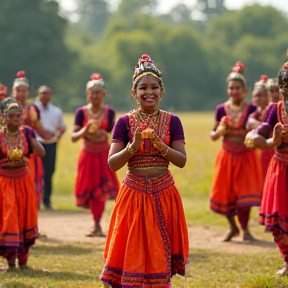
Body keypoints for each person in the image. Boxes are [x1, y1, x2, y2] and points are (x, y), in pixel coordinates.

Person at [100, 54, 189, 287]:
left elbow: (181, 160)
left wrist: (160, 145)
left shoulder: (173, 122)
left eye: (154, 87)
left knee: (160, 247)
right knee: (132, 246)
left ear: (162, 91)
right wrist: (132, 147)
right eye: (143, 88)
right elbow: (113, 163)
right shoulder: (123, 122)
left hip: (164, 192)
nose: (149, 92)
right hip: (133, 194)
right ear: (134, 93)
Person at [210, 61, 263, 242]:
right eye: (231, 88)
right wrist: (220, 130)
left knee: (244, 193)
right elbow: (213, 135)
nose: (234, 91)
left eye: (238, 88)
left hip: (246, 155)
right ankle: (233, 227)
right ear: (227, 90)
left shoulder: (253, 110)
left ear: (245, 90)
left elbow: (260, 130)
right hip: (226, 155)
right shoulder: (221, 109)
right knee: (226, 193)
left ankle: (246, 230)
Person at [244, 56, 288, 276]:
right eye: (285, 84)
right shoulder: (275, 110)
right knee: (280, 220)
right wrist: (271, 141)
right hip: (280, 169)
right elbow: (257, 135)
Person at [71, 73, 119, 237]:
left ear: (104, 94)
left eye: (98, 92)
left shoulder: (110, 112)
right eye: (92, 93)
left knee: (101, 190)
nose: (95, 96)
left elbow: (115, 134)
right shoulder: (81, 113)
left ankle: (97, 223)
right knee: (90, 188)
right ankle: (96, 221)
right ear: (87, 95)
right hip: (88, 155)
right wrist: (87, 129)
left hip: (103, 154)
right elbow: (73, 137)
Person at [0, 98, 45, 271]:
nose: (16, 119)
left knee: (25, 216)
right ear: (3, 117)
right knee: (10, 216)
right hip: (5, 182)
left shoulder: (27, 133)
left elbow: (41, 152)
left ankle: (24, 261)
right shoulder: (0, 136)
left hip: (24, 181)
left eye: (19, 115)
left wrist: (32, 140)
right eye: (11, 116)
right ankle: (11, 261)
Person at [11, 71, 53, 207]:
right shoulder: (5, 107)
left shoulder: (32, 109)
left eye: (24, 90)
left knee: (30, 184)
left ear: (28, 92)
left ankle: (29, 221)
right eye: (18, 90)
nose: (21, 93)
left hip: (29, 153)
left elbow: (39, 128)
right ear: (13, 91)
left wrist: (52, 137)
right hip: (8, 151)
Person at [35, 85, 66, 209]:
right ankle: (35, 199)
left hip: (51, 143)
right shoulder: (33, 109)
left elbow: (62, 127)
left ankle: (46, 200)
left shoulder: (56, 111)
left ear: (51, 95)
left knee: (49, 171)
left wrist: (58, 135)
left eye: (47, 93)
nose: (45, 95)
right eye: (43, 93)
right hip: (36, 143)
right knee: (36, 171)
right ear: (38, 94)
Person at [246, 75, 271, 179]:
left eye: (261, 95)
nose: (257, 98)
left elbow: (268, 128)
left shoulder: (271, 110)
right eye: (255, 95)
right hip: (257, 153)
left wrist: (255, 124)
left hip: (269, 150)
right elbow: (248, 124)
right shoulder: (256, 112)